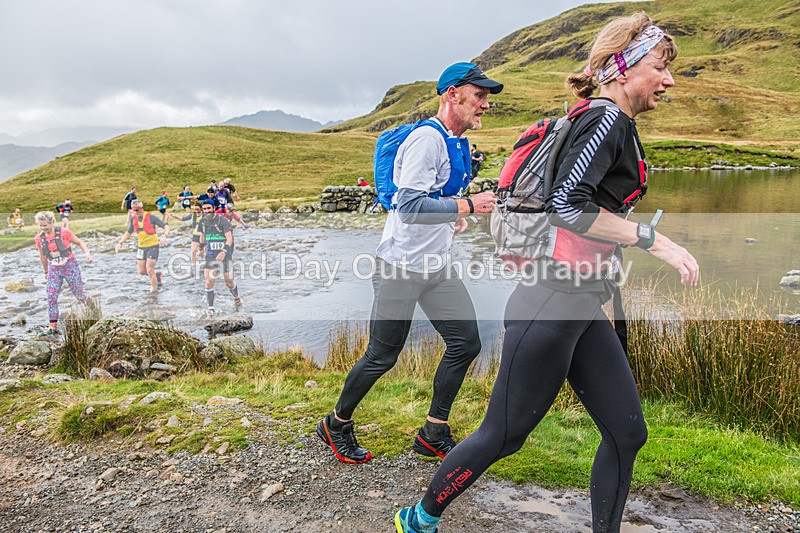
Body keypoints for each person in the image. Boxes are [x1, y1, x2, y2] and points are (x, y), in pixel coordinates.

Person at [394, 14, 700, 533]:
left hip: (578, 303)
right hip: (550, 302)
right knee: (504, 434)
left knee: (627, 433)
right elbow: (567, 206)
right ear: (623, 68)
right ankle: (419, 519)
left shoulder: (607, 120)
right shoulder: (606, 120)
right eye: (659, 66)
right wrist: (654, 240)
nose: (668, 80)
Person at [316, 61, 502, 464]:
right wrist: (469, 205)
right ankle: (335, 423)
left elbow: (434, 198)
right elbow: (411, 206)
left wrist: (454, 216)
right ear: (452, 94)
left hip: (436, 267)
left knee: (466, 343)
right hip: (399, 267)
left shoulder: (455, 142)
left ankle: (433, 433)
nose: (486, 104)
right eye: (479, 95)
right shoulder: (426, 140)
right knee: (382, 355)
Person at [34, 211, 93, 336]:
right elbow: (42, 256)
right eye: (41, 226)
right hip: (53, 269)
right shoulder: (39, 238)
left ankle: (92, 306)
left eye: (45, 225)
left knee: (79, 295)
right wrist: (45, 272)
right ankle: (53, 328)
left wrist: (87, 254)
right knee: (51, 297)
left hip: (70, 266)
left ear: (52, 222)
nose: (43, 228)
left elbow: (79, 242)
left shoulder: (64, 232)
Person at [198, 199, 243, 317]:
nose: (207, 211)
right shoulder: (202, 222)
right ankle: (211, 309)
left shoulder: (222, 221)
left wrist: (224, 251)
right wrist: (201, 248)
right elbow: (203, 236)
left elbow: (229, 238)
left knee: (228, 282)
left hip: (225, 255)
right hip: (210, 255)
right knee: (209, 281)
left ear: (214, 208)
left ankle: (236, 297)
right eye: (204, 209)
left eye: (209, 208)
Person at [114, 199, 170, 293]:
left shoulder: (151, 217)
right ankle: (157, 276)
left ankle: (154, 293)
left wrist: (164, 236)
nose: (135, 212)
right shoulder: (133, 219)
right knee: (142, 271)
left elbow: (166, 227)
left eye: (136, 210)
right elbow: (128, 232)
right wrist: (120, 243)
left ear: (141, 208)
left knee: (149, 269)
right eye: (133, 210)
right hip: (141, 247)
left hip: (153, 246)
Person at [167, 201, 204, 273]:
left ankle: (207, 264)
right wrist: (174, 216)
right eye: (195, 209)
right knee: (193, 251)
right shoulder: (193, 215)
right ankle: (193, 266)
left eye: (197, 209)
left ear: (201, 209)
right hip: (195, 236)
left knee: (204, 252)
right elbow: (182, 218)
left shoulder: (205, 216)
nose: (196, 211)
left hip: (204, 236)